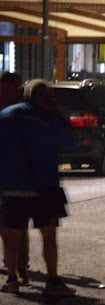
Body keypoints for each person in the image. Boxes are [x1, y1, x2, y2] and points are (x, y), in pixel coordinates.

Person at [0, 79, 75, 296]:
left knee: (12, 236)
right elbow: (69, 142)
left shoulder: (6, 115)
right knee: (48, 235)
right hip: (45, 186)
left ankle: (11, 278)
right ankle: (52, 281)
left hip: (14, 185)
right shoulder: (48, 118)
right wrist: (58, 114)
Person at [0, 71, 30, 285]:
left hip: (14, 175)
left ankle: (19, 266)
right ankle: (15, 265)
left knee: (15, 223)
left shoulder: (21, 111)